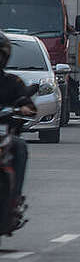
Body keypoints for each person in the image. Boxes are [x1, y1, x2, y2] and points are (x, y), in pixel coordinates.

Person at [0, 33, 36, 206]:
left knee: (20, 146)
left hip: (4, 134)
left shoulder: (13, 82)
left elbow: (27, 102)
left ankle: (15, 197)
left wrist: (25, 108)